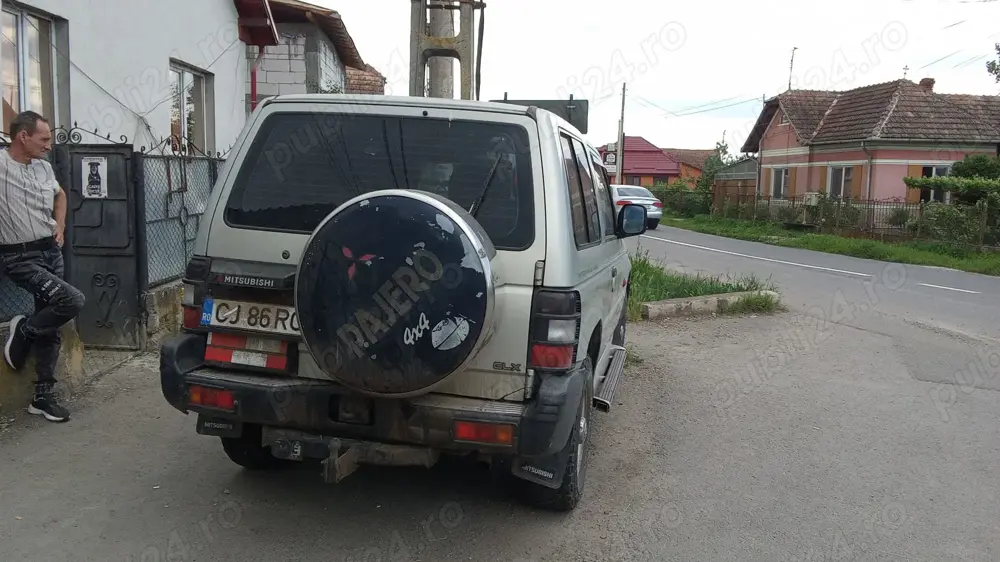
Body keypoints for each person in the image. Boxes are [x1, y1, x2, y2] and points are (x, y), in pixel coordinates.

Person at [0, 111, 85, 423]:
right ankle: (23, 329)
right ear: (24, 136)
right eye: (44, 139)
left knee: (52, 325)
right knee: (72, 300)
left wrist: (60, 225)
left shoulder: (44, 167)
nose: (49, 145)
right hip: (19, 257)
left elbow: (60, 195)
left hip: (51, 252)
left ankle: (43, 397)